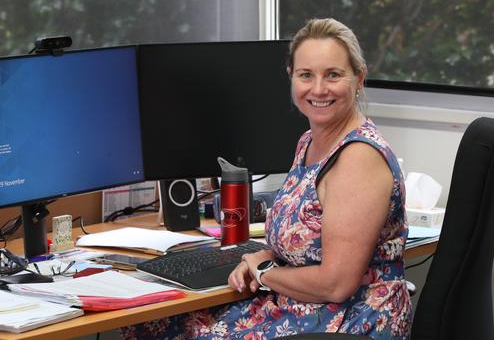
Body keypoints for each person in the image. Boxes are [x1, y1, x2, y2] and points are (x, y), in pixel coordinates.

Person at [121, 18, 412, 339]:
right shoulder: (309, 142)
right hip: (302, 307)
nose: (318, 89)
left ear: (358, 78)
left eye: (333, 75)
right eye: (306, 75)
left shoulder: (358, 157)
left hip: (348, 319)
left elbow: (337, 284)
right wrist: (265, 258)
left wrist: (264, 271)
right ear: (291, 77)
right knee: (150, 325)